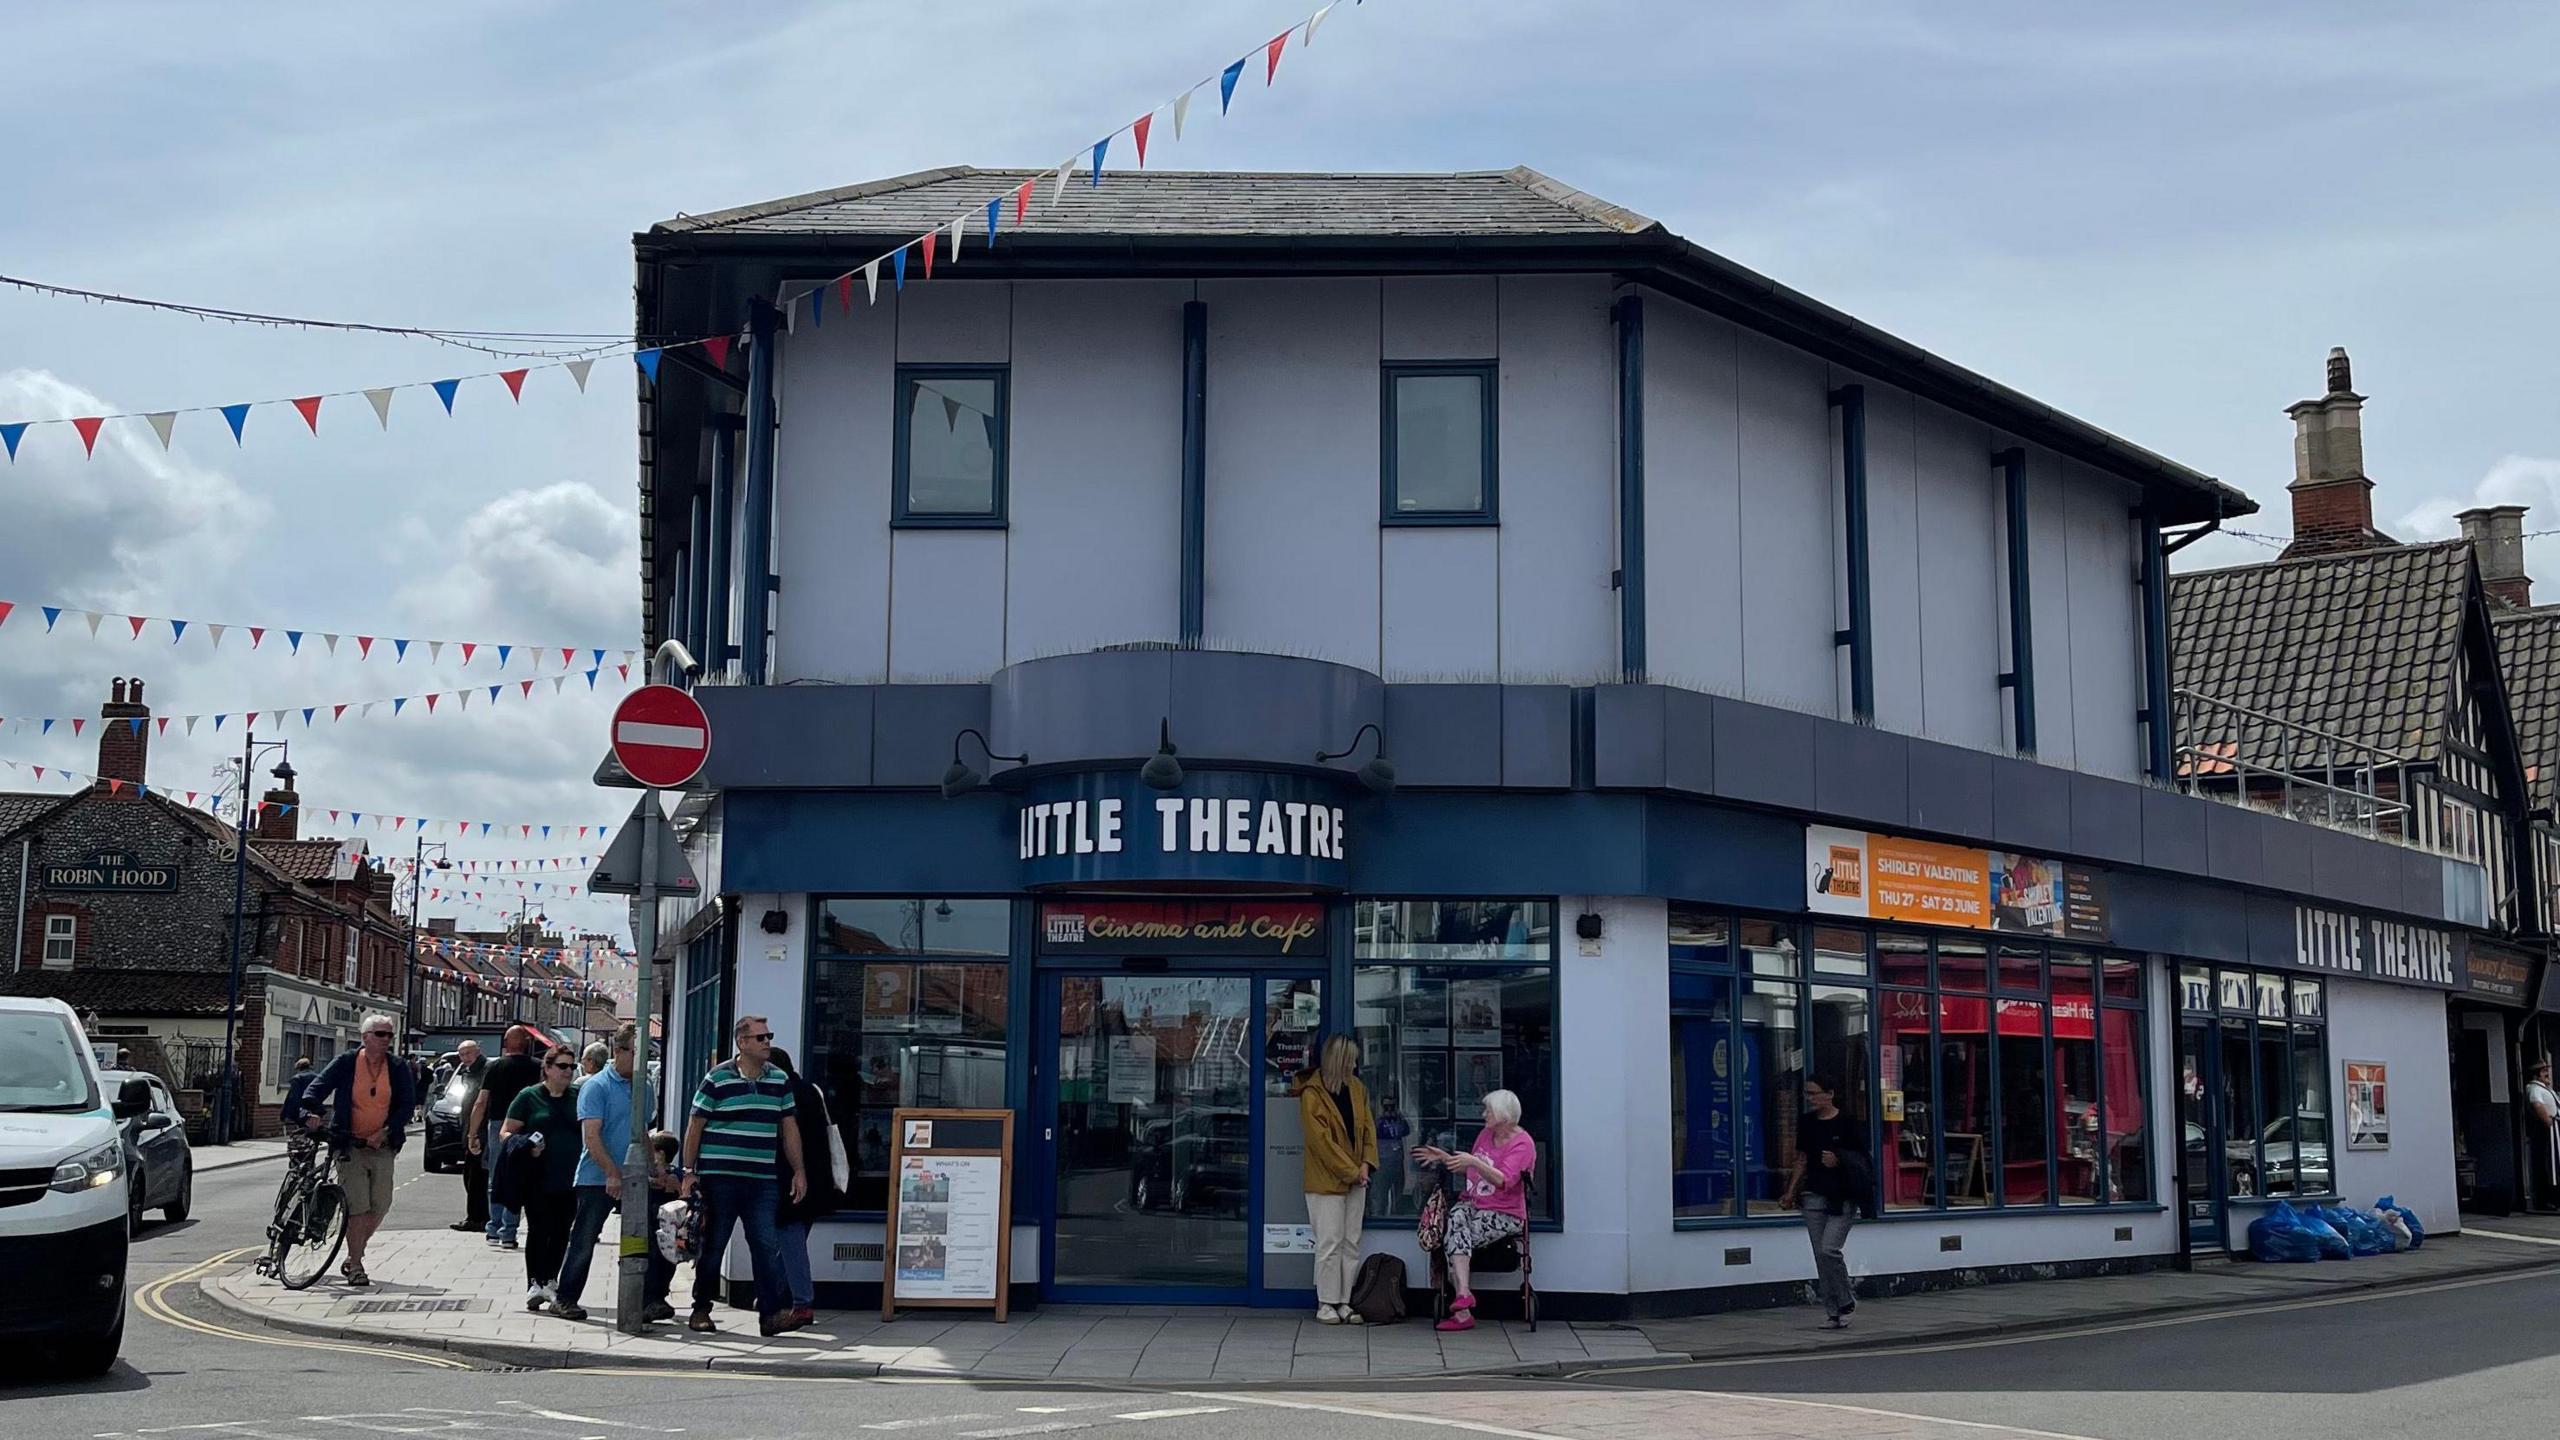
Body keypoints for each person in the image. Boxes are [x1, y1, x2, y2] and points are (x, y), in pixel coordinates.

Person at [680, 1015, 809, 1337]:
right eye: (761, 1038)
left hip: (761, 1178)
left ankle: (771, 1315)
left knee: (765, 1245)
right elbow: (696, 1125)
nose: (768, 1043)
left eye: (769, 1036)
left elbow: (789, 1128)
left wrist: (799, 1171)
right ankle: (701, 1309)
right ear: (742, 1042)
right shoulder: (717, 1078)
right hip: (719, 1177)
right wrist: (688, 1171)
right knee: (714, 1244)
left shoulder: (779, 1080)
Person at [296, 1015, 416, 1287]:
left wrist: (385, 1131)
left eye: (389, 1035)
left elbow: (407, 1105)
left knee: (381, 1204)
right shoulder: (347, 1063)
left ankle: (353, 1254)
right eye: (381, 1034)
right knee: (358, 1206)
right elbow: (316, 1089)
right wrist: (311, 1110)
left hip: (382, 1145)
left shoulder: (397, 1067)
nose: (387, 1039)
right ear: (365, 1037)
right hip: (348, 1144)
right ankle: (357, 1264)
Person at [551, 1024, 658, 1322]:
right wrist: (612, 1172)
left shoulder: (644, 1086)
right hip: (596, 1178)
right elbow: (592, 1137)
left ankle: (648, 1300)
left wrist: (654, 1168)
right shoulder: (596, 1086)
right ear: (618, 1050)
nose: (641, 1060)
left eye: (644, 1054)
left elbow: (644, 1132)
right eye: (636, 1053)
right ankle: (565, 1298)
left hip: (634, 1177)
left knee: (648, 1236)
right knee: (585, 1239)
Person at [1414, 1088, 1536, 1333]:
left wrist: (1474, 1161)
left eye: (1488, 1111)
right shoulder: (1486, 1134)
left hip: (1505, 1212)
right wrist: (1444, 1157)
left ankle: (1463, 1310)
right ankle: (1463, 1296)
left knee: (1454, 1235)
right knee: (1456, 1216)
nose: (1483, 1115)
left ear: (1503, 1116)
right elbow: (1470, 1168)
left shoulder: (1523, 1144)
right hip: (1474, 1204)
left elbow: (1504, 1180)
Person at [1290, 1034, 1379, 1324]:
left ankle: (1344, 1301)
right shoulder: (1312, 1094)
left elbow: (1368, 1130)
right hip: (1326, 1181)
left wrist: (1366, 1164)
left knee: (1351, 1242)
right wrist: (1354, 1172)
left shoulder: (1358, 1089)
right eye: (1352, 1057)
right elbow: (1322, 1143)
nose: (1356, 1063)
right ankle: (1325, 1302)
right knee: (1329, 1243)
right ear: (1340, 1059)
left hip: (1357, 1178)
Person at [1778, 1074, 1874, 1330]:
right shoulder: (1807, 1123)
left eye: (1814, 1093)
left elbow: (1863, 1160)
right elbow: (1802, 1159)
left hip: (1842, 1197)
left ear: (1829, 1094)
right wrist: (1790, 1191)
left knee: (1829, 1249)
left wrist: (1839, 1159)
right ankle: (1833, 1313)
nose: (1810, 1099)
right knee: (1820, 1257)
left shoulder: (1848, 1123)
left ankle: (1846, 1302)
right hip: (1813, 1196)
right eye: (1807, 1094)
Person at [503, 1043, 584, 1312]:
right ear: (547, 1068)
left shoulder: (578, 1095)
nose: (568, 1071)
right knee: (539, 1229)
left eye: (571, 1066)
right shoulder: (529, 1096)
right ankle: (534, 1283)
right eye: (562, 1066)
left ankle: (550, 1280)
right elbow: (506, 1133)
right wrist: (526, 1144)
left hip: (571, 1177)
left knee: (562, 1231)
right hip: (537, 1177)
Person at [769, 1046, 841, 1327]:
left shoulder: (782, 1095)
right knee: (791, 1240)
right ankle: (771, 1294)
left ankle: (802, 1303)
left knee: (789, 1237)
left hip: (790, 1179)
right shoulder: (811, 1090)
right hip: (818, 1180)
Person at [467, 1027, 541, 1249]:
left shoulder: (494, 1066)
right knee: (521, 1178)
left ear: (507, 1042)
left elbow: (481, 1102)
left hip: (498, 1124)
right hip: (527, 1126)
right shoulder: (537, 1067)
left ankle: (495, 1227)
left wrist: (472, 1133)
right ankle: (509, 1231)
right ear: (526, 1042)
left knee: (496, 1178)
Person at [445, 1040, 490, 1234]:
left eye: (468, 1054)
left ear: (478, 1052)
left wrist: (475, 1133)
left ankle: (477, 1218)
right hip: (470, 1129)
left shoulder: (485, 1070)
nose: (464, 1058)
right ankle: (478, 1216)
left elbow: (481, 1104)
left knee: (476, 1176)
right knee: (471, 1175)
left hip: (479, 1131)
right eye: (461, 1055)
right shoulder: (469, 1072)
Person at [2527, 1060, 2560, 1214]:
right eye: (2543, 1071)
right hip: (2548, 1128)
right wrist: (2548, 1122)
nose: (2547, 1074)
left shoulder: (2545, 1088)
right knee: (2549, 1163)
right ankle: (2547, 1199)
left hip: (2555, 1128)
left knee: (2555, 1162)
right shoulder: (2534, 1088)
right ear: (2537, 1075)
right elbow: (2537, 1104)